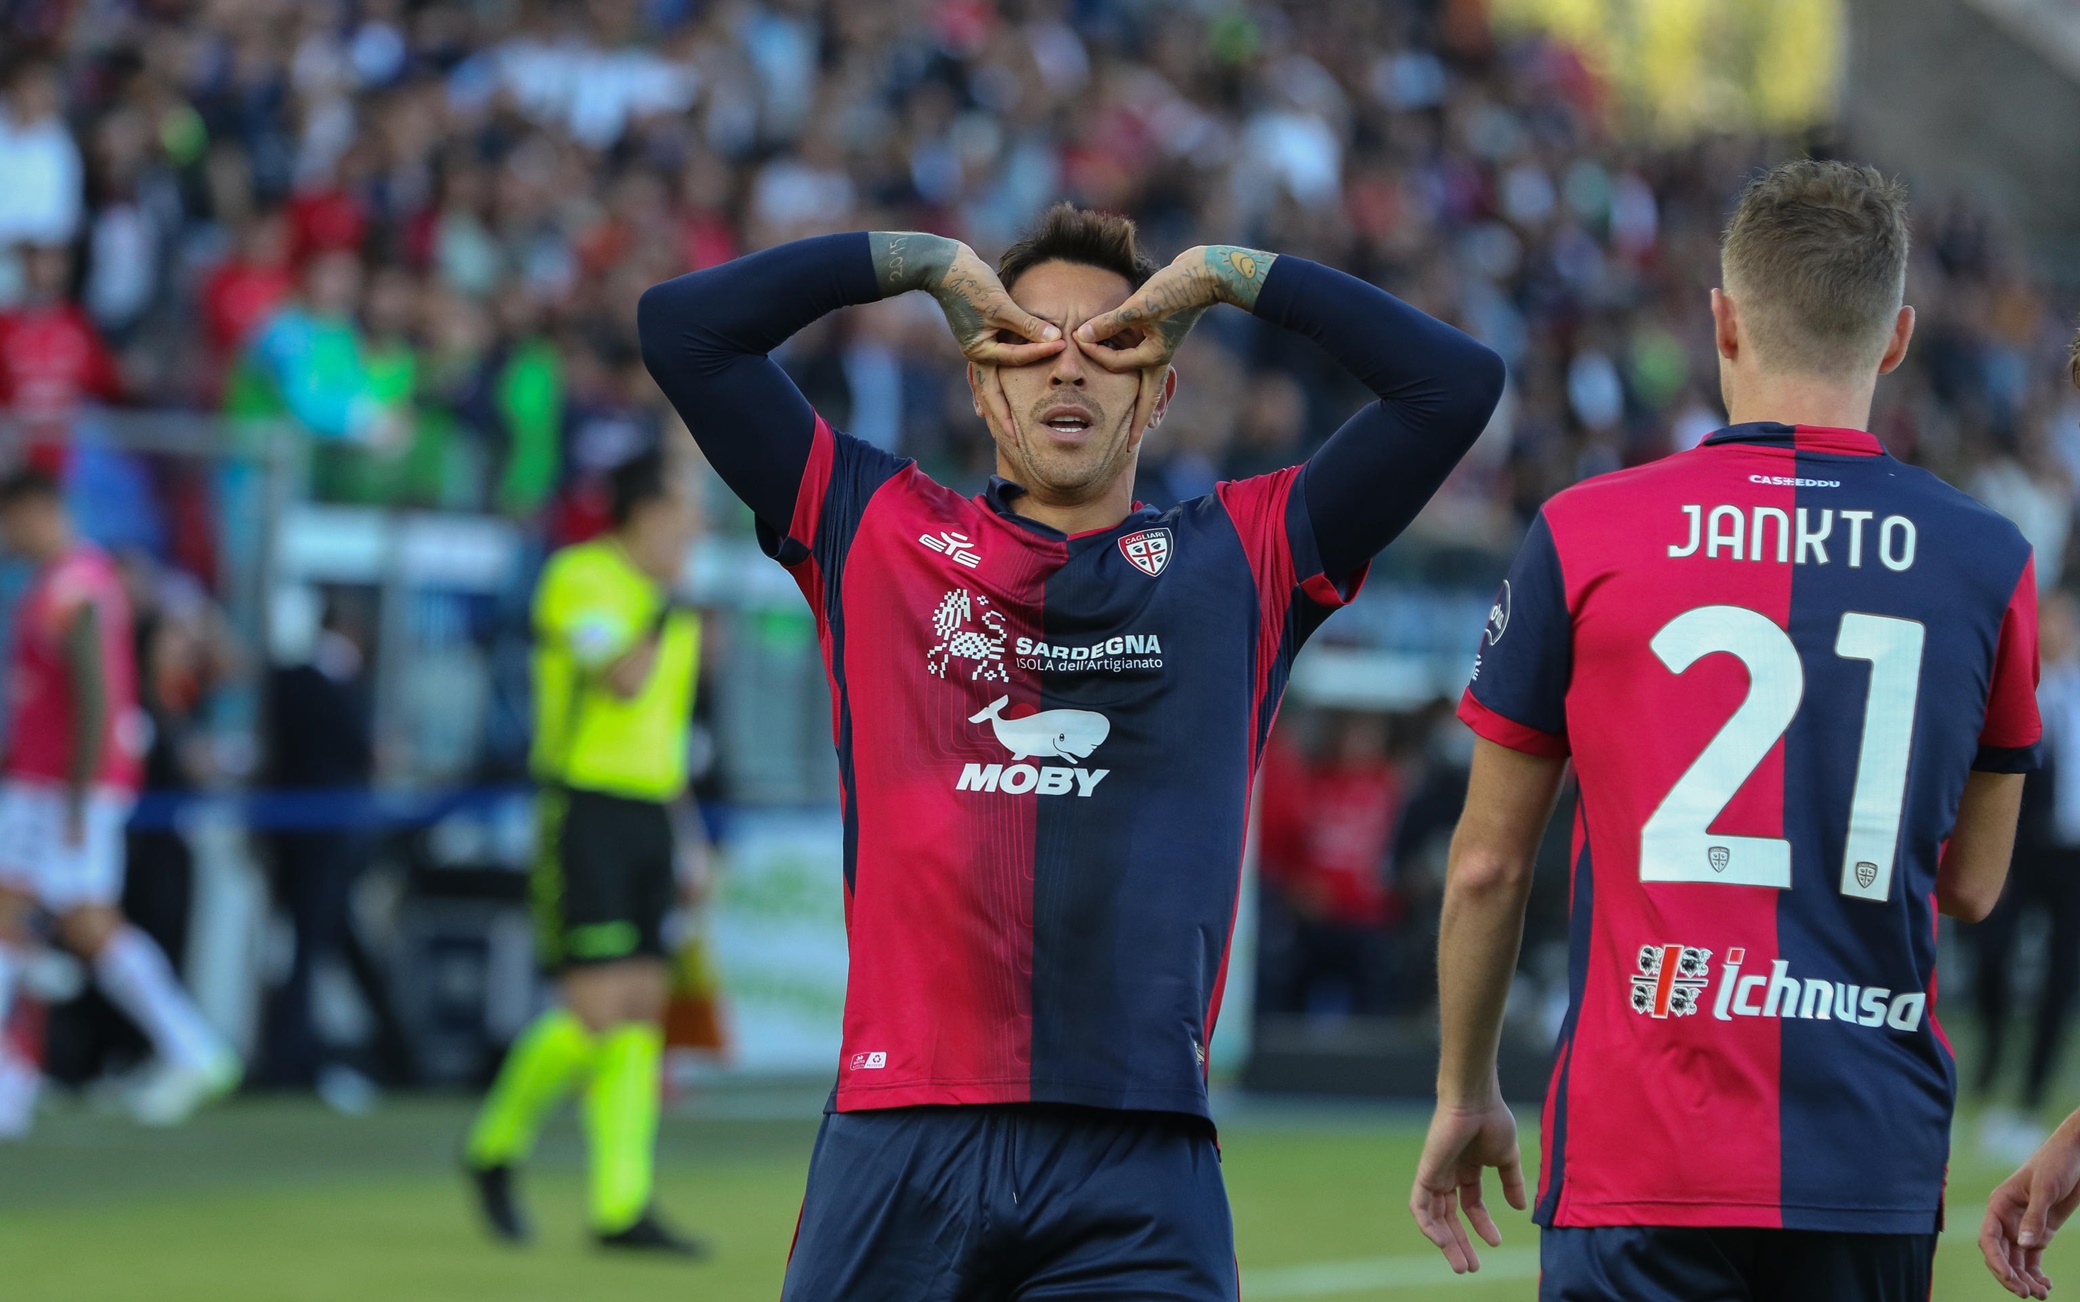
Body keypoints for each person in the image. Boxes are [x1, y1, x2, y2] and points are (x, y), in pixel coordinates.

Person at [637, 203, 1504, 1298]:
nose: (1066, 367)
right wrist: (923, 265)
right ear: (978, 381)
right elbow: (681, 329)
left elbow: (1453, 387)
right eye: (1026, 340)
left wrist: (1224, 278)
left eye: (1109, 343)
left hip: (1138, 1158)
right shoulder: (872, 526)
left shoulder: (1244, 557)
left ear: (1159, 390)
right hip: (902, 1133)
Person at [1414, 159, 2041, 1302]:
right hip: (1868, 1148)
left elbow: (1490, 862)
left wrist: (1465, 1088)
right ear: (1896, 338)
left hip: (1639, 1151)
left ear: (1721, 318)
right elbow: (1973, 886)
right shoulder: (1989, 560)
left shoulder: (1582, 531)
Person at [462, 450, 707, 1255]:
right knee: (596, 1012)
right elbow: (624, 681)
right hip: (585, 809)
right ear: (644, 515)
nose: (695, 530)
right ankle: (493, 1146)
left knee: (639, 1014)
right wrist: (663, 605)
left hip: (648, 817)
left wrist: (691, 840)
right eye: (683, 513)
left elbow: (663, 735)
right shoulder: (583, 579)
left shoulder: (675, 605)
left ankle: (620, 1205)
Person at [0, 469, 240, 1132]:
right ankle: (189, 1049)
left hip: (59, 787)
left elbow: (97, 694)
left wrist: (78, 792)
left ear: (37, 512)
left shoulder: (73, 587)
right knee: (78, 924)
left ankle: (16, 1084)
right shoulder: (68, 583)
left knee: (20, 915)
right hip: (55, 782)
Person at [1974, 590, 2080, 1164]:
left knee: (2061, 980)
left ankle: (2032, 1098)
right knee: (1993, 954)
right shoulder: (2023, 691)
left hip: (2076, 859)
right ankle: (1990, 1064)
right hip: (2025, 849)